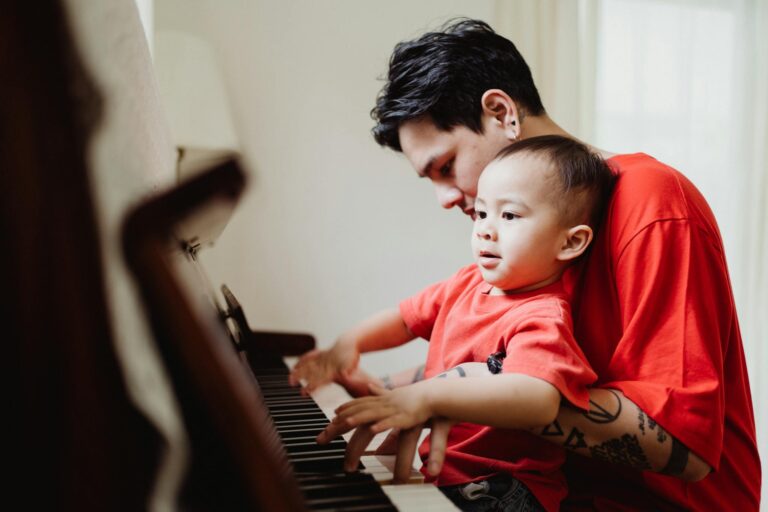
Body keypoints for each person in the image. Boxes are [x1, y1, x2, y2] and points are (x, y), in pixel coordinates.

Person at [314, 18, 761, 511]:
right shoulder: (524, 235)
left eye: (445, 167)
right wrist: (383, 392)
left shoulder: (653, 201)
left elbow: (686, 448)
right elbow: (500, 358)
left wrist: (444, 396)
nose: (443, 199)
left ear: (501, 111)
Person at [291, 135, 615, 511]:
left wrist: (430, 396)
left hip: (503, 488)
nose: (485, 230)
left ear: (570, 242)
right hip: (449, 476)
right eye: (481, 213)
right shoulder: (466, 283)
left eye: (509, 215)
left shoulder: (542, 316)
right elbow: (405, 319)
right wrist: (351, 343)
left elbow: (538, 400)